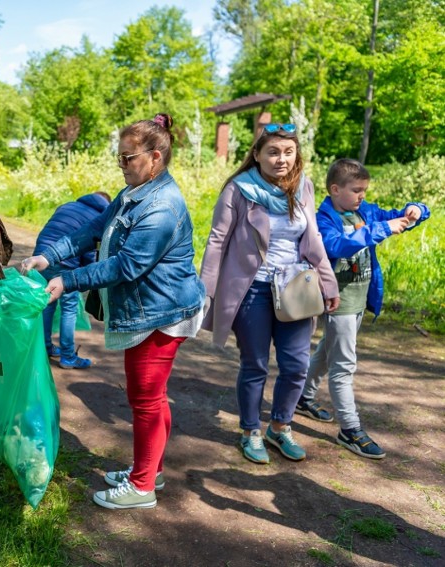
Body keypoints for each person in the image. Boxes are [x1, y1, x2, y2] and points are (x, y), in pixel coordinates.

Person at [20, 114, 205, 510]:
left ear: (154, 157)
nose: (120, 165)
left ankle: (141, 488)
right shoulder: (133, 191)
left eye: (127, 158)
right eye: (119, 157)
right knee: (152, 397)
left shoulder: (162, 207)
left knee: (146, 399)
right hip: (151, 307)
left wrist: (67, 281)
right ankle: (149, 469)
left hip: (161, 313)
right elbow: (92, 229)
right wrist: (48, 256)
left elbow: (126, 266)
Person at [200, 122, 339, 465]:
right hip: (252, 290)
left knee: (295, 366)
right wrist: (205, 290)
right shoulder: (238, 189)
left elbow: (313, 239)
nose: (281, 159)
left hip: (295, 289)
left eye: (288, 152)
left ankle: (280, 426)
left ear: (297, 155)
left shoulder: (303, 187)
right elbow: (217, 240)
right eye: (273, 152)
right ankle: (250, 431)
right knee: (255, 365)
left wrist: (328, 281)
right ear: (257, 155)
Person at [296, 158, 429, 459]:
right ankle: (350, 430)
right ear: (334, 189)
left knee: (327, 353)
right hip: (338, 304)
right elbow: (338, 246)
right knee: (343, 367)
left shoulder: (365, 212)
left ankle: (303, 398)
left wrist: (417, 210)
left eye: (364, 191)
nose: (362, 196)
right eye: (356, 190)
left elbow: (399, 217)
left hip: (359, 301)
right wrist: (382, 229)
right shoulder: (324, 219)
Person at [33, 191, 111, 369]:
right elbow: (89, 248)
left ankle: (45, 347)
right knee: (69, 309)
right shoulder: (99, 216)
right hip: (65, 261)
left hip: (42, 255)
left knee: (47, 302)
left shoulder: (68, 205)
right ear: (106, 203)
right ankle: (68, 357)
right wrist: (88, 274)